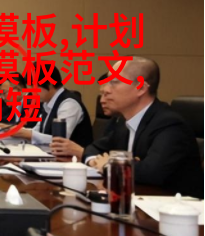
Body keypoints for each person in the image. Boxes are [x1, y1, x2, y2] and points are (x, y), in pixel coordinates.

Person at [83, 57, 203, 198]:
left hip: (173, 206)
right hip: (134, 199)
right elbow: (93, 148)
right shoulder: (123, 122)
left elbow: (152, 172)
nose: (105, 89)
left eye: (114, 82)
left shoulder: (170, 124)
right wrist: (95, 161)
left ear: (140, 88)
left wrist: (109, 164)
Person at [11, 65, 93, 148]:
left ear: (49, 84)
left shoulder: (69, 104)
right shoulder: (47, 103)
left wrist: (29, 134)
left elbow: (60, 140)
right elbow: (38, 130)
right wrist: (20, 131)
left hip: (73, 155)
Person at [50, 73, 122, 159]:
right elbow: (98, 149)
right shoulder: (115, 121)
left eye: (107, 94)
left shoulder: (69, 103)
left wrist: (80, 151)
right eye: (101, 94)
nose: (101, 101)